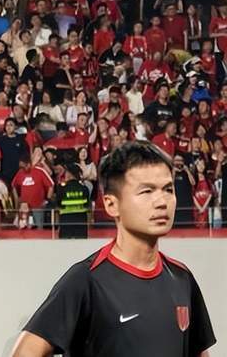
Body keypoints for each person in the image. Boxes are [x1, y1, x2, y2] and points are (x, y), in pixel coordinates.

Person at [12, 141, 216, 357]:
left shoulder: (182, 278)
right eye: (146, 191)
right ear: (111, 204)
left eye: (168, 189)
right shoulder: (86, 279)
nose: (161, 202)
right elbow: (25, 352)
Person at [55, 163, 90, 239]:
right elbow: (87, 205)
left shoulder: (61, 188)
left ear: (69, 174)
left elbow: (58, 204)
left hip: (65, 221)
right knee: (82, 244)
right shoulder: (84, 188)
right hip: (81, 221)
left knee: (65, 244)